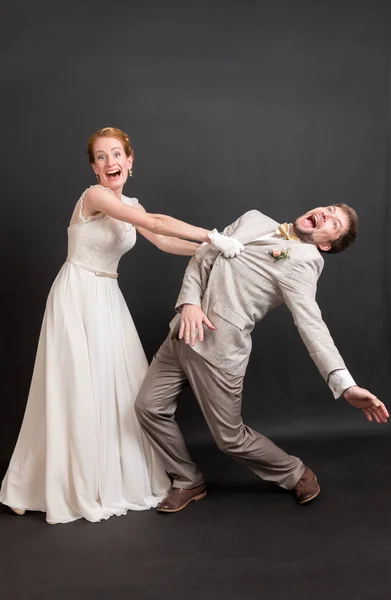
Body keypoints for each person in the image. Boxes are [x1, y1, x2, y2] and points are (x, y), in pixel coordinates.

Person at [0, 127, 244, 524]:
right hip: (77, 294)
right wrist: (213, 236)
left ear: (130, 161)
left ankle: (110, 477)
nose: (110, 163)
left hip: (108, 298)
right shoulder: (94, 197)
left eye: (117, 155)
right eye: (101, 157)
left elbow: (164, 241)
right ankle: (36, 484)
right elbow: (161, 223)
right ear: (95, 167)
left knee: (118, 388)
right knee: (74, 387)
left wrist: (214, 252)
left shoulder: (131, 202)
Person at [135, 204, 389, 512]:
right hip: (182, 333)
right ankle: (187, 480)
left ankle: (295, 473)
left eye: (334, 223)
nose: (325, 215)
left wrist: (344, 384)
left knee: (230, 438)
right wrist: (188, 302)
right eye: (330, 210)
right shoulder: (253, 218)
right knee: (148, 407)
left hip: (219, 350)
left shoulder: (305, 259)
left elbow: (311, 324)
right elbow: (203, 255)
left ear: (325, 244)